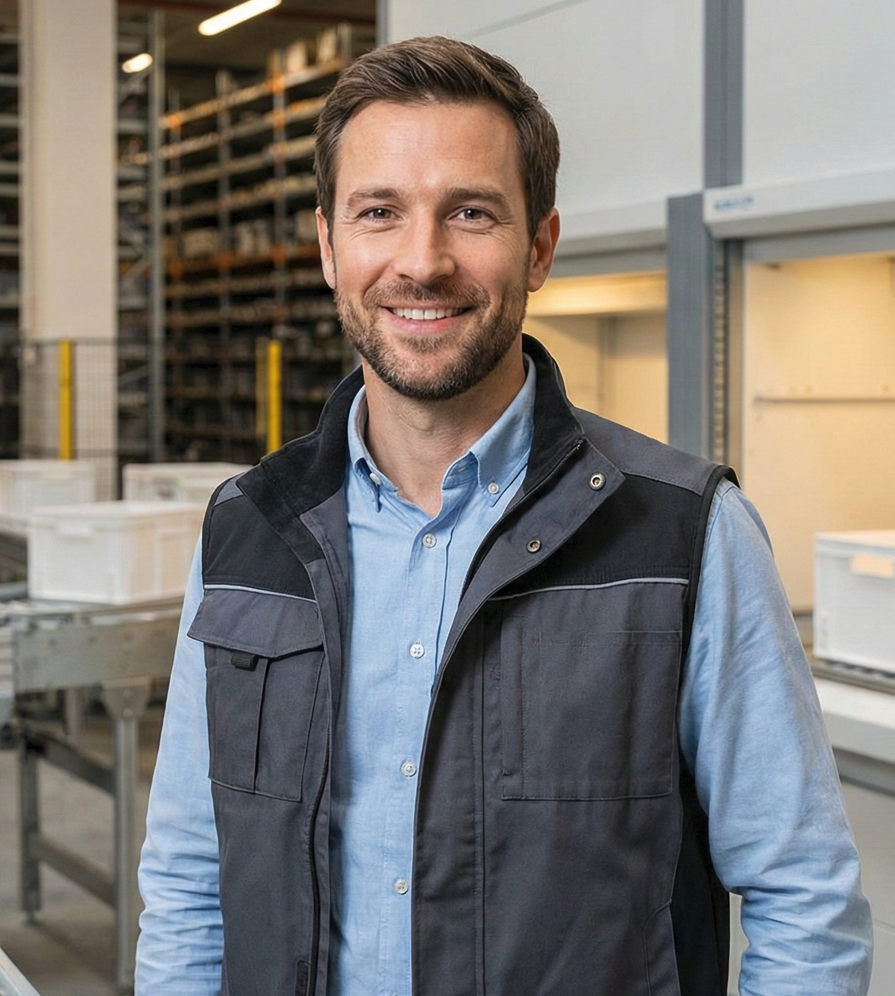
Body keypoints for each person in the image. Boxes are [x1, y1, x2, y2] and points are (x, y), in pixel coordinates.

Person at [135, 35, 872, 996]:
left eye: (470, 212)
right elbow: (190, 884)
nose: (422, 261)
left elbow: (803, 901)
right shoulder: (247, 528)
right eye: (379, 213)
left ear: (539, 248)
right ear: (327, 246)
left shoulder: (685, 534)